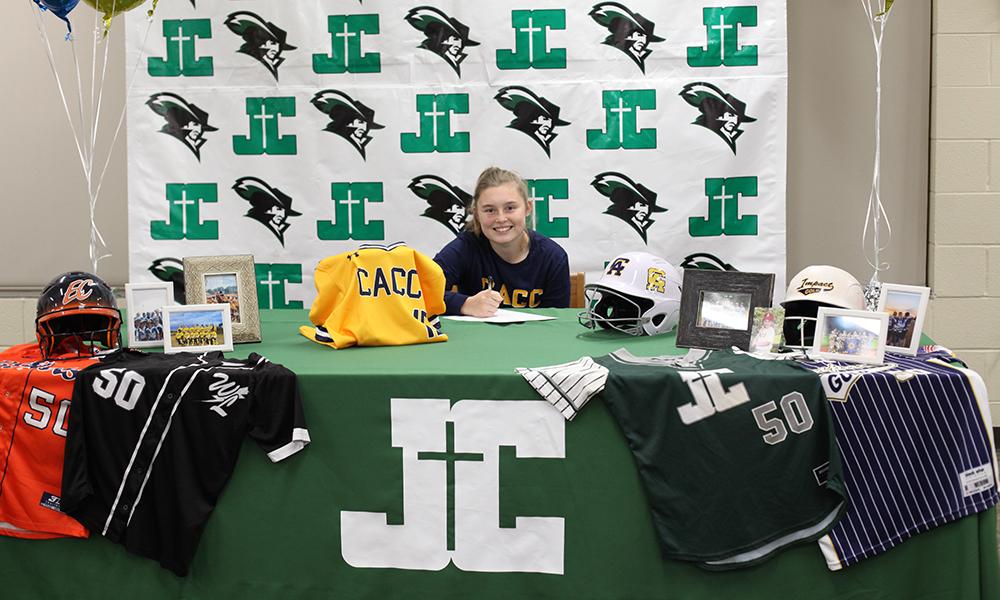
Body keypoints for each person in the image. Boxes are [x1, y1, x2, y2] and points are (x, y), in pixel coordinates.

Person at [433, 166, 570, 317]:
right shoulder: (466, 247)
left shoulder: (553, 257)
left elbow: (557, 322)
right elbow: (420, 291)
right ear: (476, 214)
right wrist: (465, 304)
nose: (501, 219)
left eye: (510, 208)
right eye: (490, 210)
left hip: (533, 339)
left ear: (527, 208)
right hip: (478, 339)